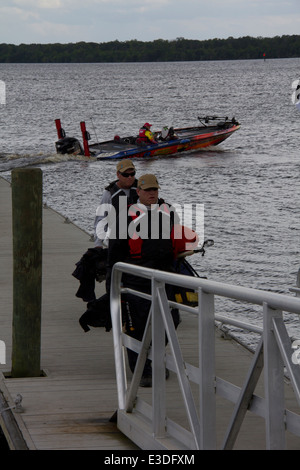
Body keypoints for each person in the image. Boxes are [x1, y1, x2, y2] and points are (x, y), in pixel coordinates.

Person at [107, 174, 198, 387]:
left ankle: (153, 358)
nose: (152, 193)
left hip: (163, 276)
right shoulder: (125, 216)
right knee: (135, 326)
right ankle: (143, 371)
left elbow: (176, 241)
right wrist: (113, 282)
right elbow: (114, 252)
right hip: (135, 278)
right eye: (147, 190)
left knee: (171, 321)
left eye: (154, 190)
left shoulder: (168, 212)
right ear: (137, 192)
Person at [94, 159, 138, 248]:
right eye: (125, 175)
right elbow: (100, 219)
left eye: (132, 174)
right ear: (118, 174)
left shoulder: (141, 189)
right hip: (117, 240)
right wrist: (98, 244)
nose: (130, 177)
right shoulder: (109, 193)